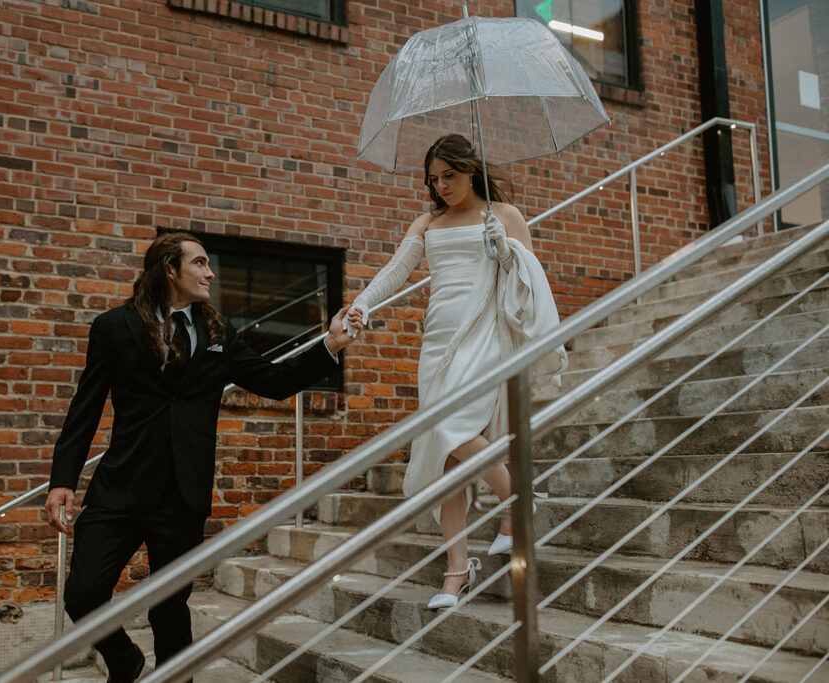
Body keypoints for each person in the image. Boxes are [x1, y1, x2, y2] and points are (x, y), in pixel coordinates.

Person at [45, 230, 357, 682]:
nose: (209, 272)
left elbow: (272, 381)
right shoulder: (113, 327)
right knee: (83, 593)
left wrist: (331, 345)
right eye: (200, 263)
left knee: (170, 611)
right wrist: (62, 480)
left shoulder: (218, 332)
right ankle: (124, 660)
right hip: (121, 487)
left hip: (182, 494)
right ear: (170, 269)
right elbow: (85, 409)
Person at [346, 134, 566, 610]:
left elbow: (532, 281)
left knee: (452, 428)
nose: (441, 186)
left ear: (470, 169)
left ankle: (515, 500)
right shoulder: (427, 222)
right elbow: (395, 271)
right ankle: (456, 572)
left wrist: (505, 251)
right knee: (447, 458)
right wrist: (361, 303)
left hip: (484, 335)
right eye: (434, 179)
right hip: (438, 341)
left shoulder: (504, 216)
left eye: (450, 175)